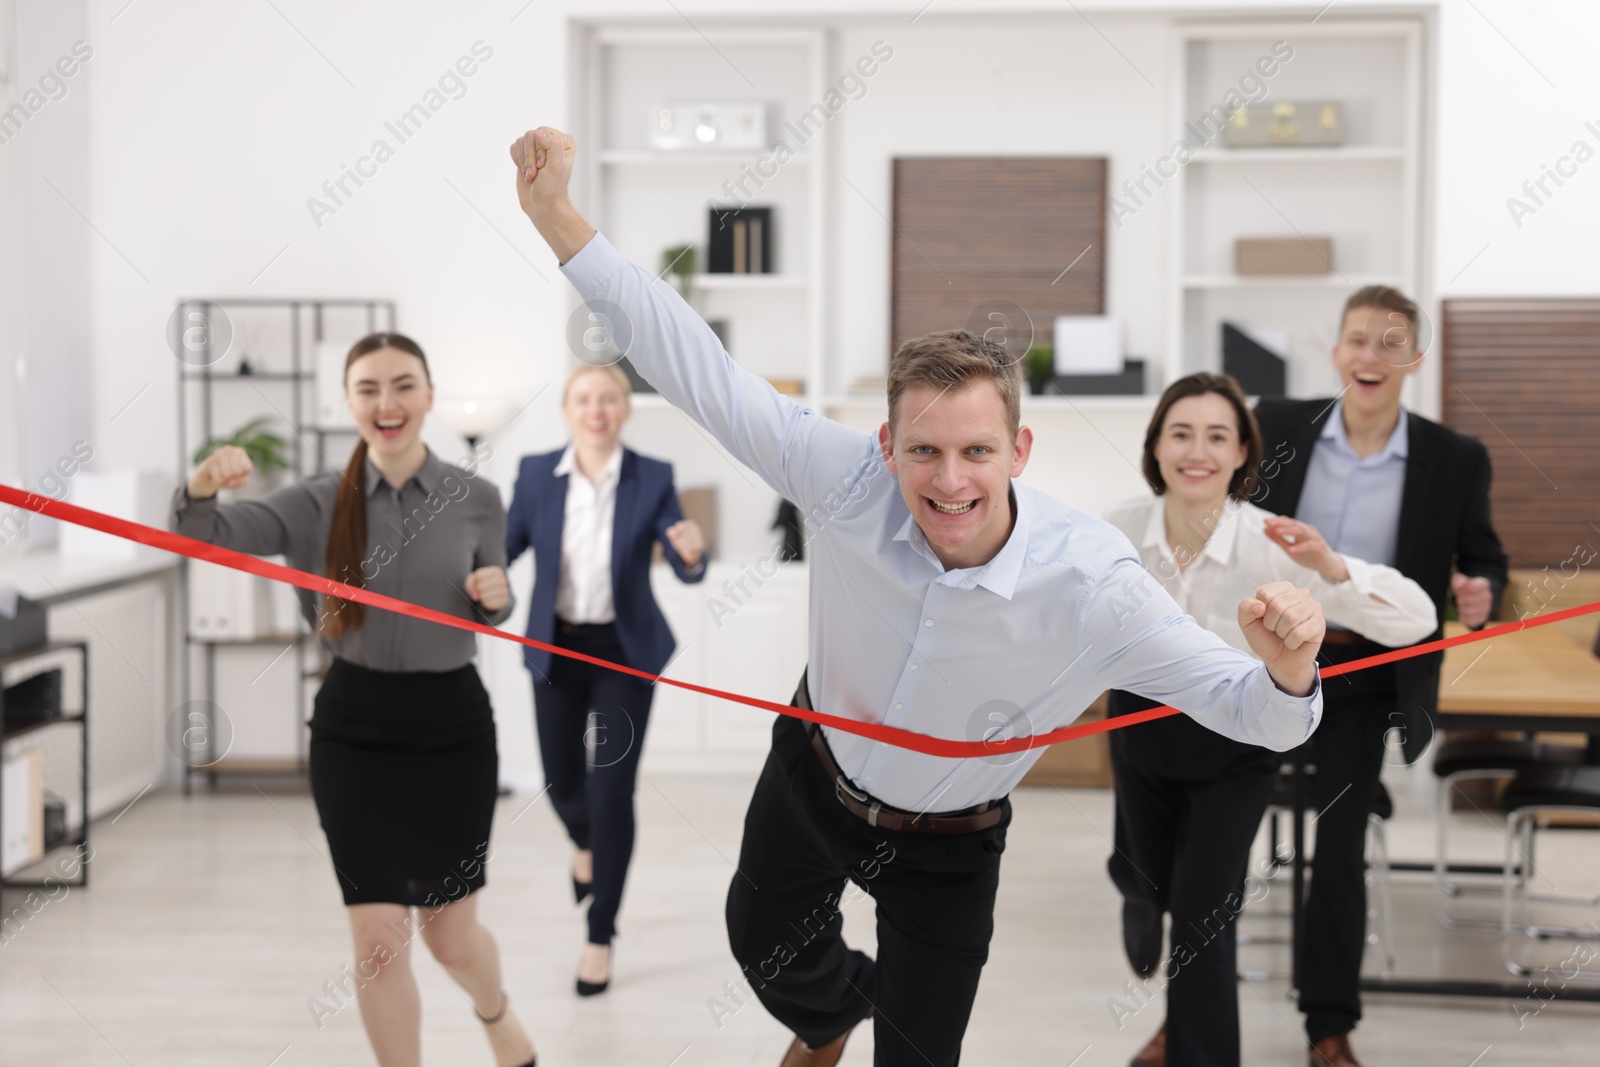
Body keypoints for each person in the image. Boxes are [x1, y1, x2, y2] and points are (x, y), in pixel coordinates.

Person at [508, 126, 1328, 1067]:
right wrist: (560, 220)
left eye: (977, 451)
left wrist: (1293, 672)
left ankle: (882, 1016)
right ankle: (831, 1016)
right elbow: (700, 369)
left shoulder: (1096, 586)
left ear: (1018, 453)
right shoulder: (845, 477)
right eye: (923, 450)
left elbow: (1254, 712)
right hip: (813, 775)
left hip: (949, 848)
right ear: (886, 442)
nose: (949, 481)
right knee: (763, 947)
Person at [172, 333, 538, 1067]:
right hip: (353, 731)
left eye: (403, 385)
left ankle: (496, 1013)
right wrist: (203, 486)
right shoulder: (313, 500)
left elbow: (490, 600)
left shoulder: (479, 498)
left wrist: (496, 596)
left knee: (449, 935)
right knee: (377, 941)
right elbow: (206, 534)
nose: (387, 403)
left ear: (429, 397)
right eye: (368, 388)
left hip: (451, 730)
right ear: (349, 404)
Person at [1102, 373, 1437, 1067]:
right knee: (1152, 880)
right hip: (1139, 731)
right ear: (1156, 446)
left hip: (1237, 747)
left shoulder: (1273, 543)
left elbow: (1419, 620)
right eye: (1181, 432)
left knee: (1203, 919)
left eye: (1218, 435)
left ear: (1242, 454)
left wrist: (1331, 565)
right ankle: (1136, 889)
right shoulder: (1114, 531)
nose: (1198, 450)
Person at [1253, 288, 1508, 1067]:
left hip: (1367, 674)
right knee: (1212, 826)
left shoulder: (1453, 457)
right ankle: (1181, 1009)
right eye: (1358, 340)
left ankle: (1327, 1024)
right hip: (1263, 658)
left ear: (1415, 361)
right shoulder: (1277, 427)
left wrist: (1481, 592)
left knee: (1338, 845)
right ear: (1336, 351)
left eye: (1390, 343)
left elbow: (1483, 555)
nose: (1371, 356)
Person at [505, 362, 707, 996]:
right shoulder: (537, 473)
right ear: (567, 410)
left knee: (612, 791)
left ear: (625, 410)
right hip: (556, 648)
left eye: (610, 399)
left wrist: (691, 553)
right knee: (563, 785)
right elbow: (504, 547)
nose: (597, 409)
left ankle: (600, 935)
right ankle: (585, 842)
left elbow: (683, 560)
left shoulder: (654, 476)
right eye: (584, 399)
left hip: (622, 652)